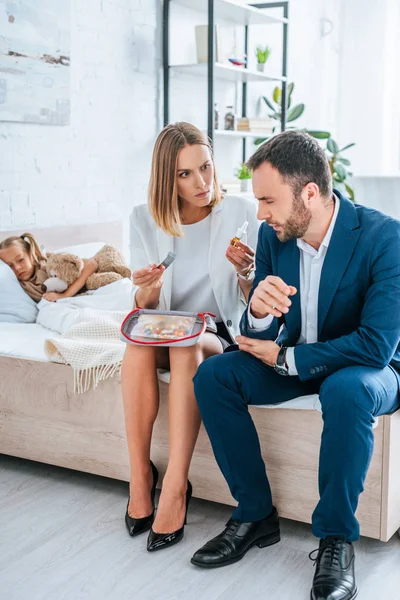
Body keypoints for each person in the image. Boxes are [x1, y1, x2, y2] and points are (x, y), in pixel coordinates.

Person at [191, 131, 400, 600]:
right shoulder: (274, 235)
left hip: (368, 368)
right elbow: (262, 333)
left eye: (268, 199)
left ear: (309, 192)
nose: (260, 213)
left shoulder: (386, 237)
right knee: (214, 376)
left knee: (345, 391)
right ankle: (255, 514)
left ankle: (335, 539)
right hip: (293, 359)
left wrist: (289, 357)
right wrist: (260, 313)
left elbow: (376, 346)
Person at [122, 122, 259, 552]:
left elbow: (254, 301)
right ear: (168, 178)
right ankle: (140, 478)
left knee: (186, 350)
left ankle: (177, 487)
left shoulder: (241, 212)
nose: (202, 182)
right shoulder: (144, 218)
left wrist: (247, 272)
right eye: (185, 174)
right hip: (164, 325)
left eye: (206, 167)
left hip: (214, 330)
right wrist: (145, 285)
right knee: (135, 347)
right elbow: (144, 303)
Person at [0, 233, 98, 302]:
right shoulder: (15, 286)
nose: (17, 268)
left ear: (31, 254)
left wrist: (65, 295)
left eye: (21, 260)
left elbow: (91, 264)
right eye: (10, 265)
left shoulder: (52, 262)